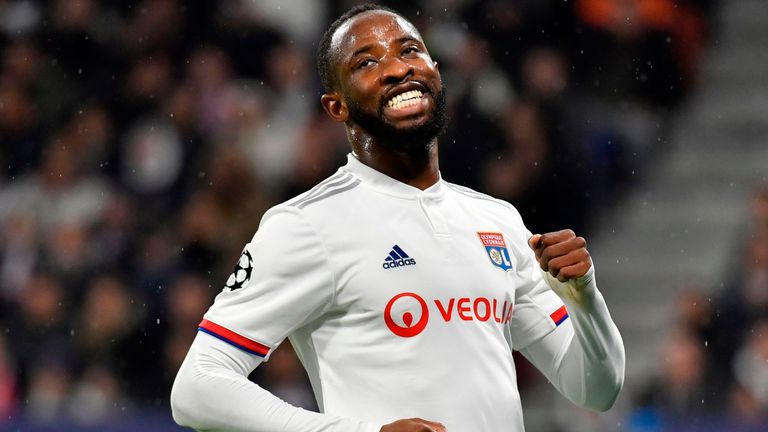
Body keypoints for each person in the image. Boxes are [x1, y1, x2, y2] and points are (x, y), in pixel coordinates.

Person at [170, 4, 625, 431]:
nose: (396, 68)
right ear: (337, 106)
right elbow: (197, 388)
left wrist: (584, 299)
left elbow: (595, 389)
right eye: (365, 63)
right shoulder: (305, 225)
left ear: (436, 73)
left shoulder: (498, 222)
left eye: (410, 50)